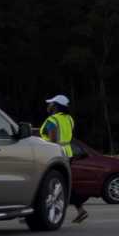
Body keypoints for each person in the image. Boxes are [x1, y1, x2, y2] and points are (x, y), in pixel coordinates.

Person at [40, 94, 88, 222]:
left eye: (50, 103)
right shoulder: (69, 119)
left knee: (49, 183)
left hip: (55, 153)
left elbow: (53, 140)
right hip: (67, 152)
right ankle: (80, 210)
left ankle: (44, 212)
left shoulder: (52, 120)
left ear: (55, 106)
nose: (48, 105)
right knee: (62, 184)